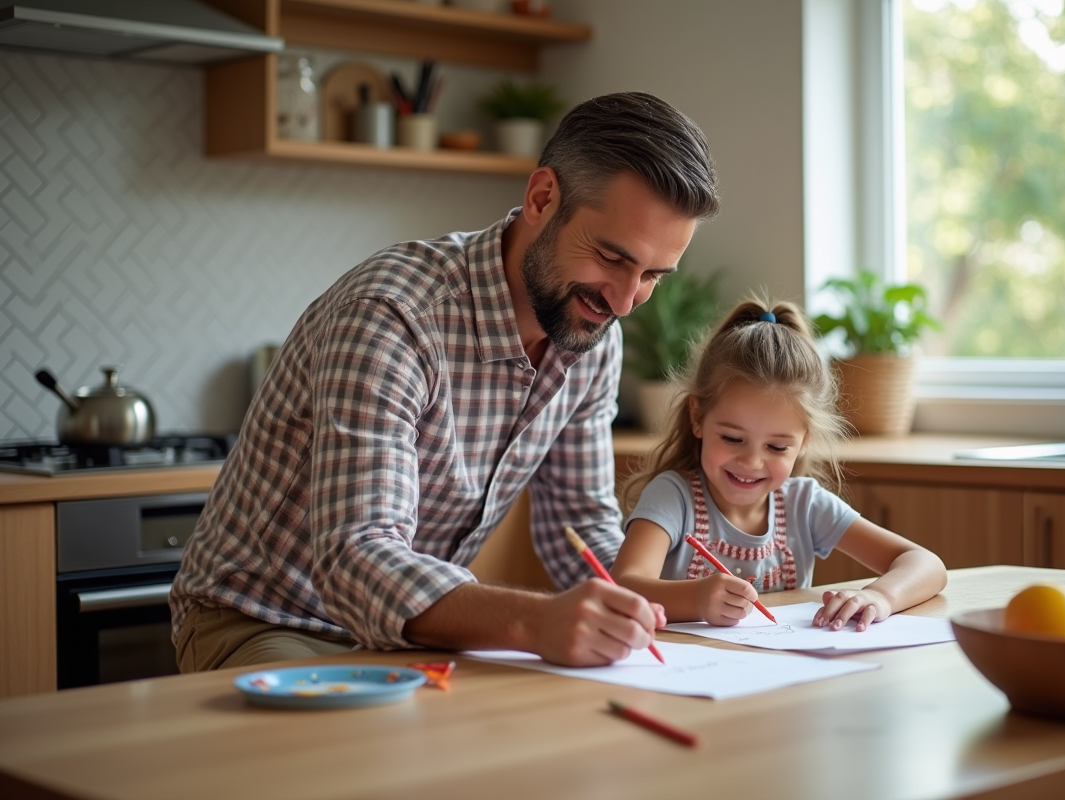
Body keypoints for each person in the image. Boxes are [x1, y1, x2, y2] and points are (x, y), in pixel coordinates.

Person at [169, 92, 720, 670]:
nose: (626, 300)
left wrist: (683, 598)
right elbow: (357, 557)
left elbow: (578, 526)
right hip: (269, 619)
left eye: (653, 275)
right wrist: (536, 621)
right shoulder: (393, 315)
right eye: (611, 257)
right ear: (541, 198)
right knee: (361, 756)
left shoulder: (592, 332)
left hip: (407, 633)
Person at [610, 297, 947, 629]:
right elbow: (624, 585)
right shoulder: (673, 497)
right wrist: (696, 599)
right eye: (731, 438)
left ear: (803, 443)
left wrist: (881, 596)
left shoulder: (804, 503)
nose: (751, 461)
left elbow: (926, 564)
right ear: (697, 418)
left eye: (776, 446)